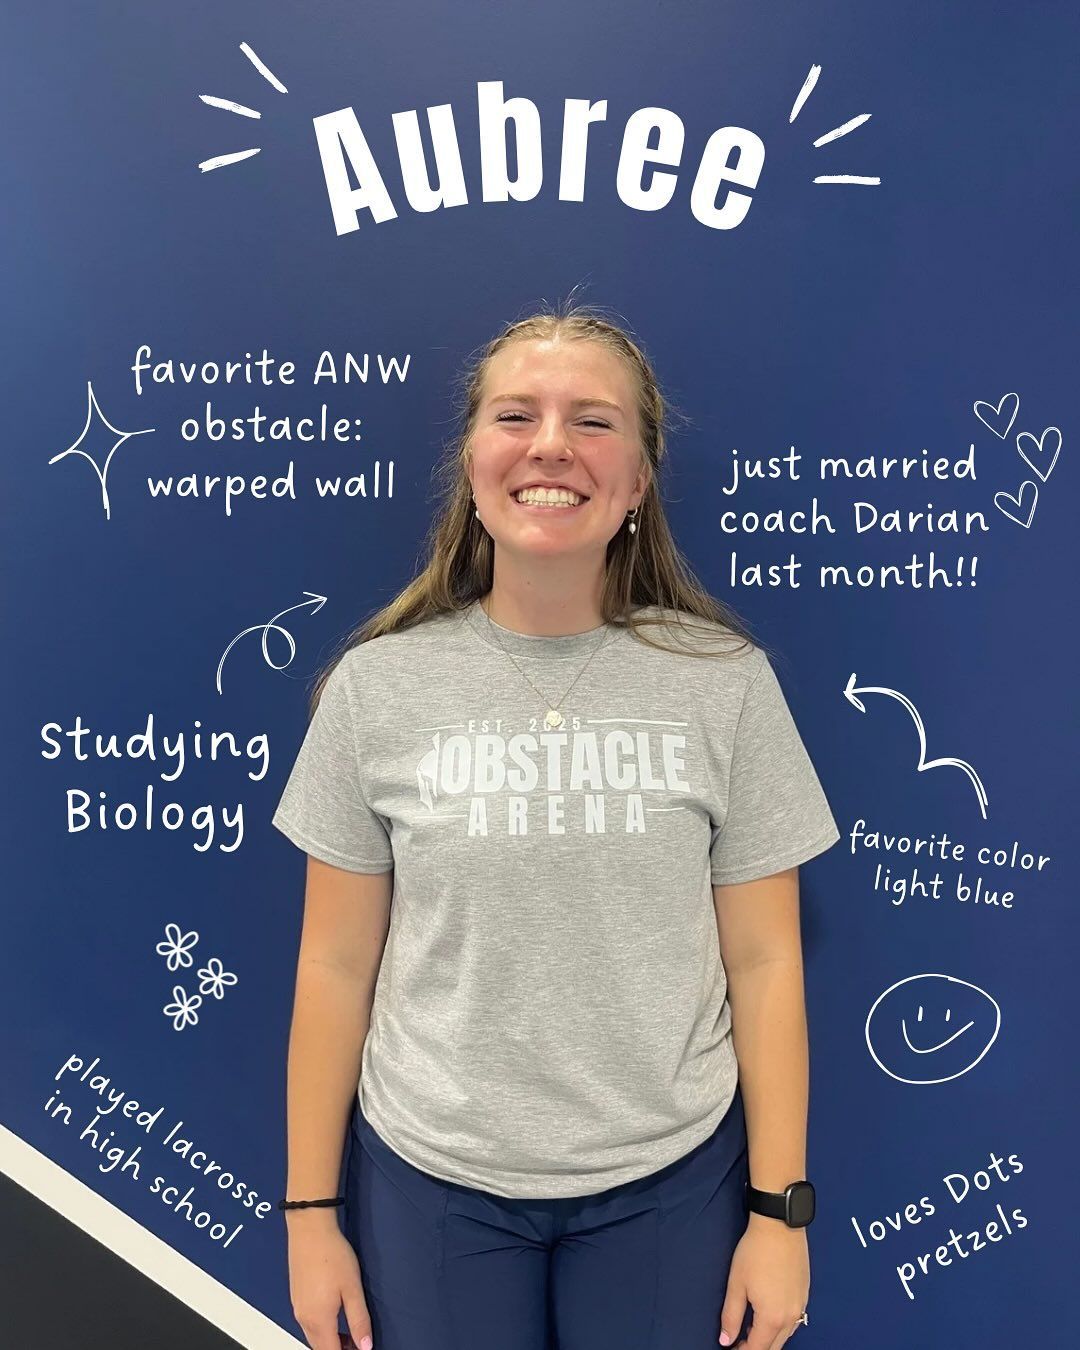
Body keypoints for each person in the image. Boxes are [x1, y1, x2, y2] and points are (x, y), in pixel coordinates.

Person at [272, 299, 840, 1350]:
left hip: (670, 1180)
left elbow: (766, 964)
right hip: (434, 1181)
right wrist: (311, 1218)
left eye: (594, 421)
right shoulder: (375, 689)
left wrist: (779, 1214)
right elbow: (332, 966)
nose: (550, 447)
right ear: (473, 465)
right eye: (514, 416)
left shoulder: (726, 686)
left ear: (636, 480)